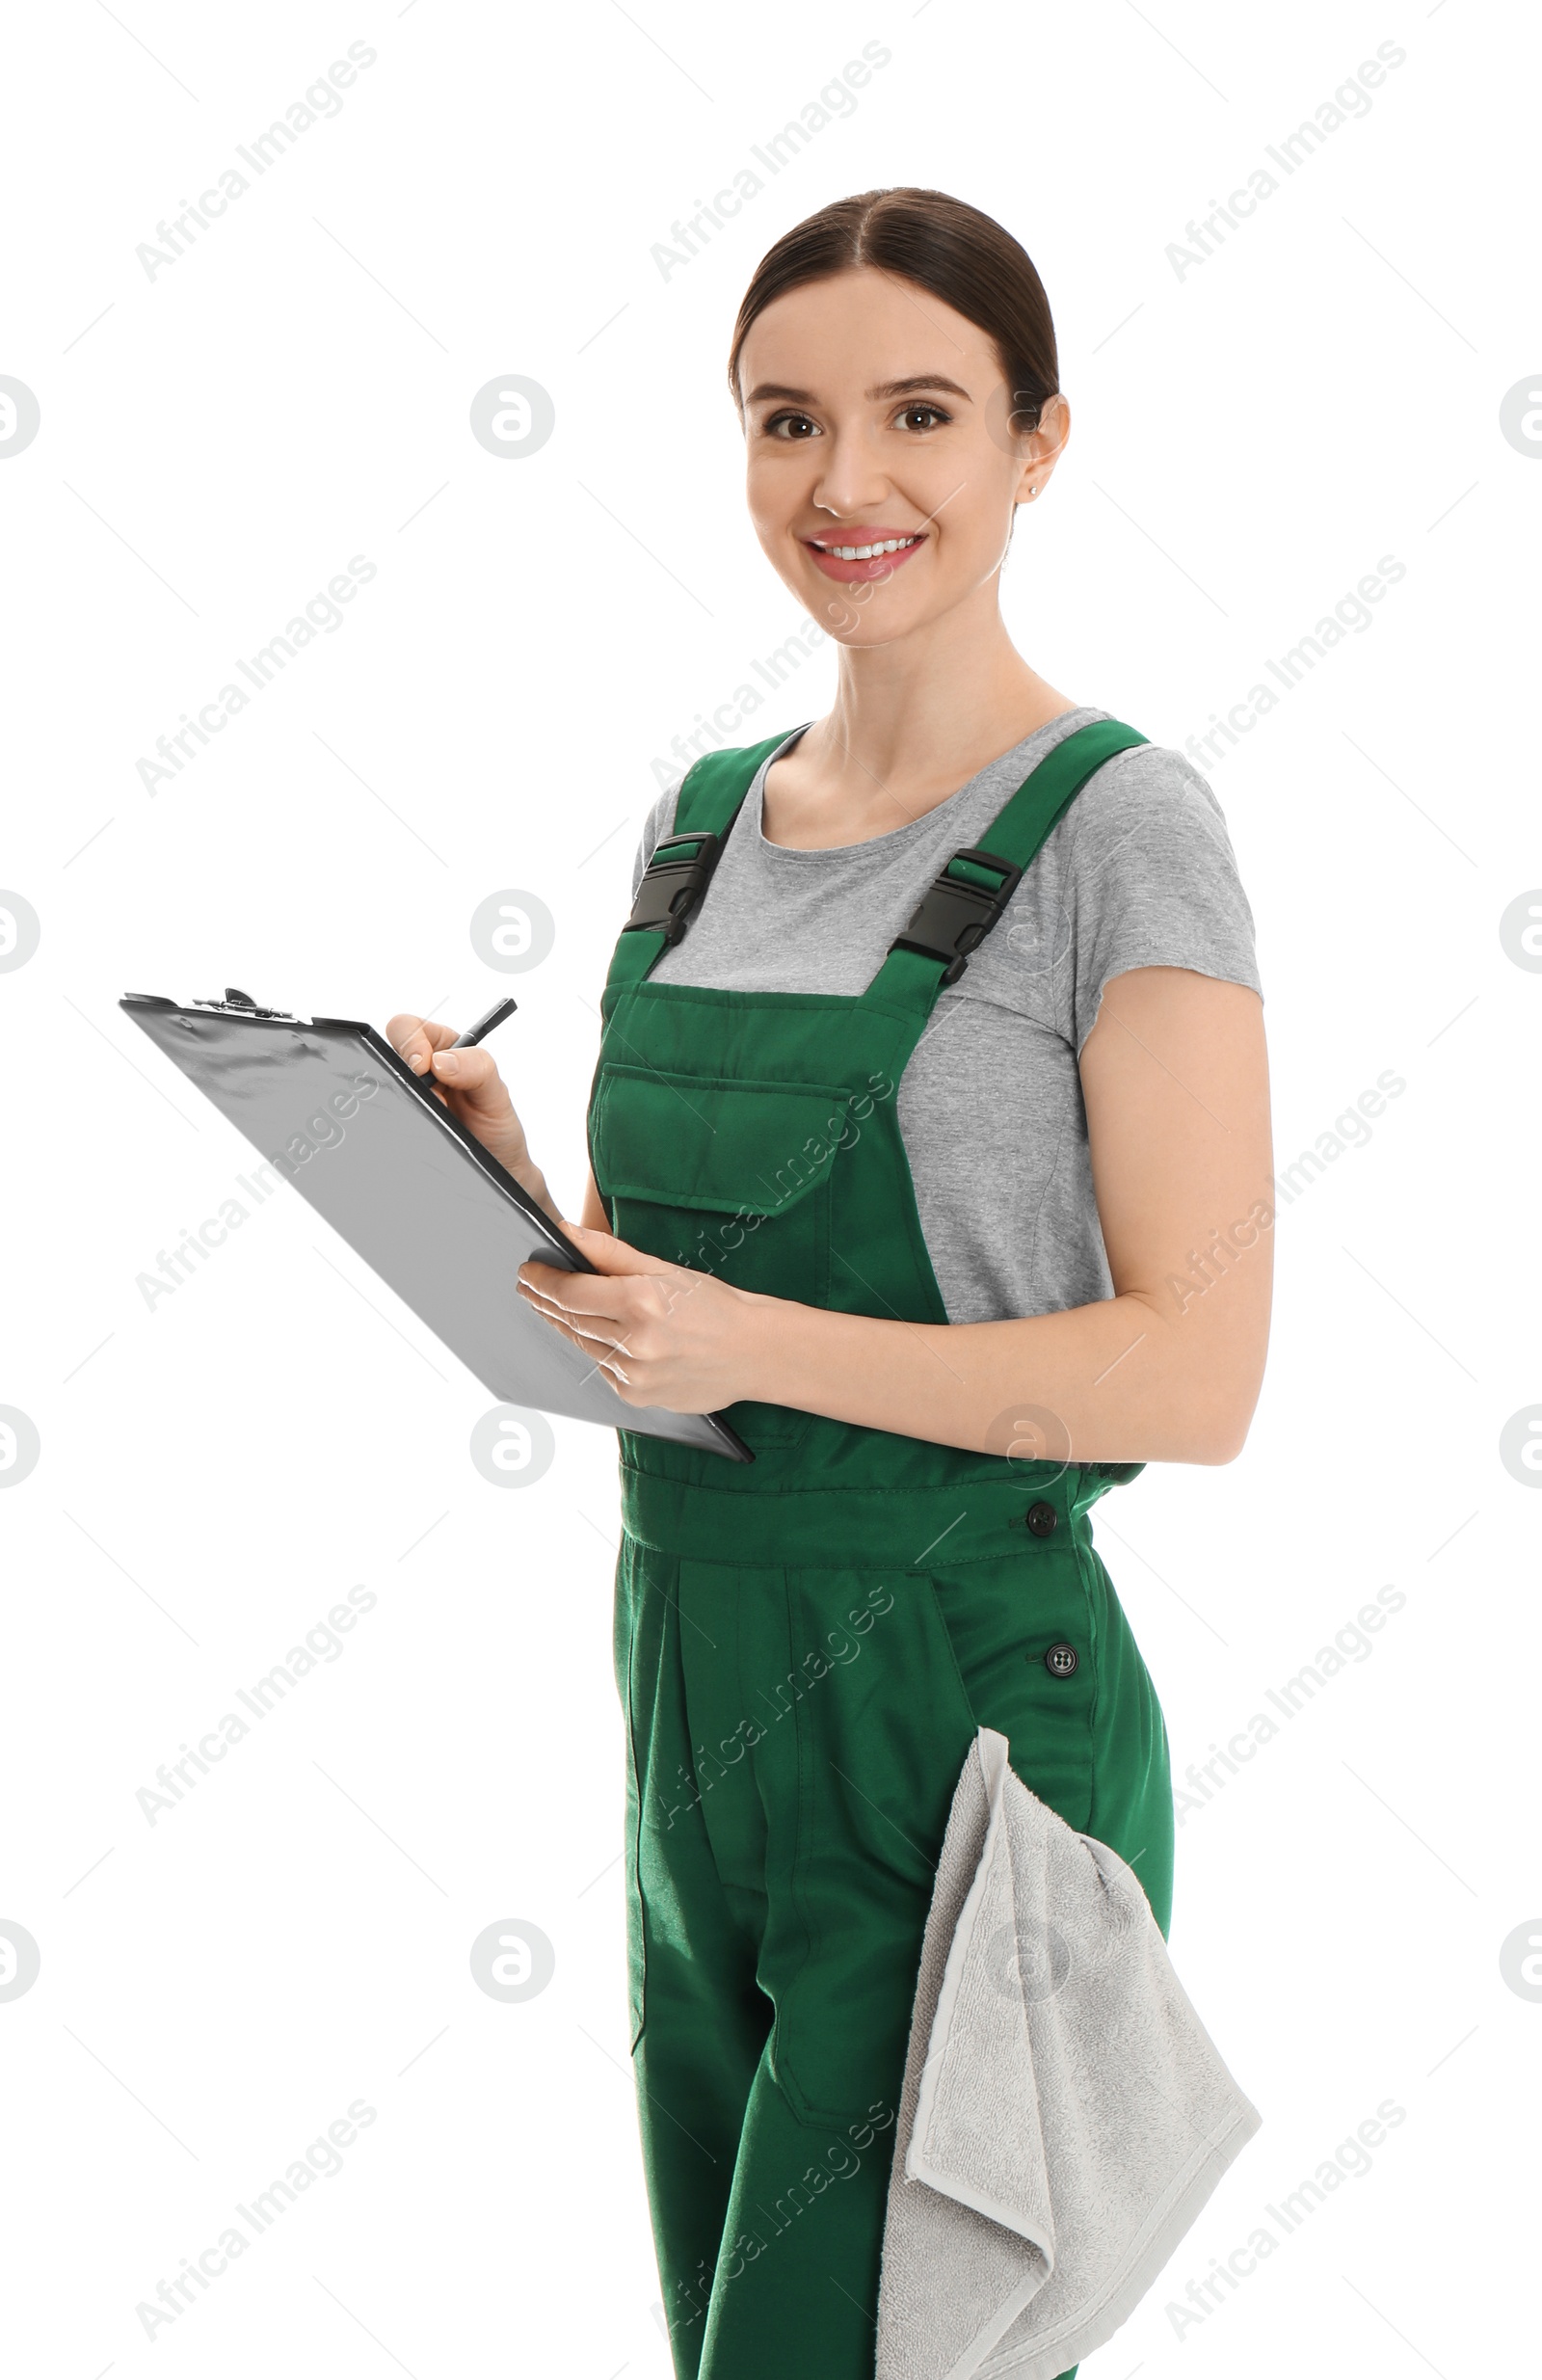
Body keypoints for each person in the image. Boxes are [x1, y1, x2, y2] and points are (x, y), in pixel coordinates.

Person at [390, 186, 1272, 2380]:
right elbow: (662, 1350)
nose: (844, 482)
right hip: (685, 1690)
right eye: (786, 421)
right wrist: (503, 1200)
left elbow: (1198, 1366)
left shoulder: (1113, 826)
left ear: (1036, 442)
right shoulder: (699, 824)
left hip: (956, 1714)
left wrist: (741, 1334)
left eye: (918, 415)